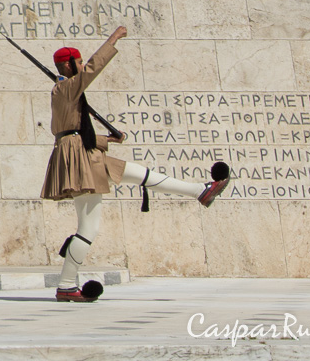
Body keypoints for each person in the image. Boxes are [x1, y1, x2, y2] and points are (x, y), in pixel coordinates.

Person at [42, 26, 230, 303]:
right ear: (69, 65)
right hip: (81, 160)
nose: (82, 67)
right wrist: (113, 40)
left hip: (85, 154)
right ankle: (67, 285)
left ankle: (199, 192)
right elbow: (92, 72)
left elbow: (73, 132)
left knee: (140, 174)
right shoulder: (67, 87)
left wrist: (109, 140)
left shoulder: (65, 91)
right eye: (78, 62)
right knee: (88, 228)